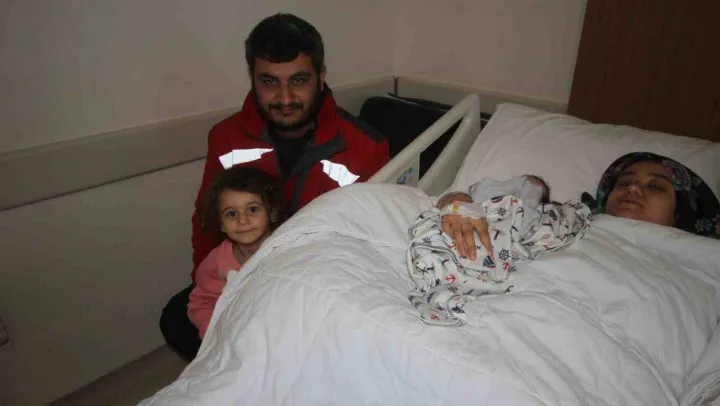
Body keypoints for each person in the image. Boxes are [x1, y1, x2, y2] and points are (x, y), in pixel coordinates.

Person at [160, 13, 390, 360]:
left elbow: (375, 241)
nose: (285, 98)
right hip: (244, 280)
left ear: (321, 77)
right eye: (269, 82)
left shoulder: (365, 147)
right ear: (252, 79)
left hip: (316, 290)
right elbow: (207, 221)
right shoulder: (226, 137)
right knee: (178, 319)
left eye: (299, 80)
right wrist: (211, 282)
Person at [445, 152, 720, 263]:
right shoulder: (569, 221)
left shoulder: (702, 260)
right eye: (625, 183)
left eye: (656, 187)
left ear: (682, 213)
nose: (633, 190)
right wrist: (458, 207)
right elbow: (462, 201)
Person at [407, 175, 590, 326]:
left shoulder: (535, 211)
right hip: (457, 236)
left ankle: (446, 277)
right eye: (522, 182)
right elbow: (454, 201)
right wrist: (458, 204)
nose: (522, 185)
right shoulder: (472, 198)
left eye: (528, 185)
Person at [188, 166, 286, 340]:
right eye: (231, 214)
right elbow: (201, 303)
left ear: (272, 213)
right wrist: (215, 334)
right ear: (221, 224)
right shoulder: (216, 262)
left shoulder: (289, 248)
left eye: (252, 209)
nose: (243, 220)